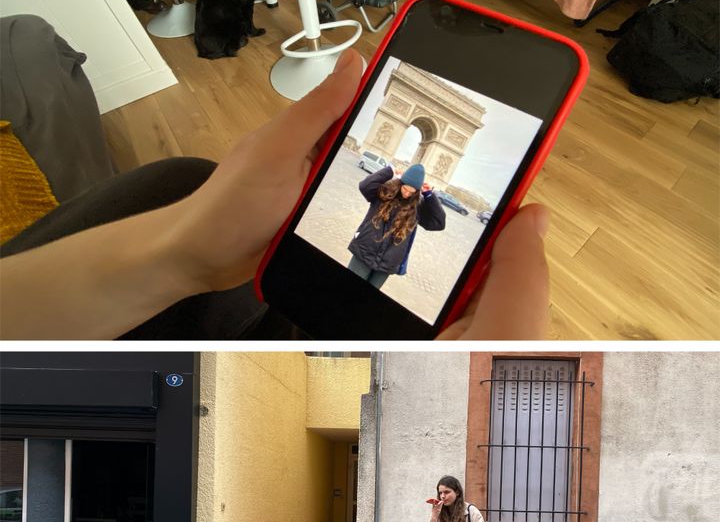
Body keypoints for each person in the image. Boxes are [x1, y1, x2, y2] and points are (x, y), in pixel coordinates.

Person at [0, 49, 550, 340]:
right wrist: (388, 178)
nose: (407, 183)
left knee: (185, 179)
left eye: (411, 179)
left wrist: (428, 193)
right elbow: (362, 186)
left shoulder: (421, 201)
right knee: (184, 180)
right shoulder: (384, 187)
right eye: (408, 178)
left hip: (388, 261)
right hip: (363, 249)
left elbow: (435, 224)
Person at [347, 162, 445, 288]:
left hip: (388, 262)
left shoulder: (418, 207)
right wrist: (390, 171)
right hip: (365, 250)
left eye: (412, 191)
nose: (407, 194)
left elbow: (439, 223)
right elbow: (365, 186)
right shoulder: (385, 193)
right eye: (405, 188)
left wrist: (430, 196)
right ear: (401, 183)